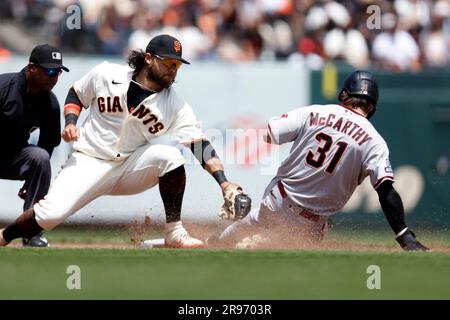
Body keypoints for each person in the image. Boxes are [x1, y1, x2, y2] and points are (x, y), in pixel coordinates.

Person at [0, 34, 245, 248]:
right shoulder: (107, 73)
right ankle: (4, 236)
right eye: (169, 62)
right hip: (88, 161)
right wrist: (72, 122)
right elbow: (77, 92)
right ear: (149, 58)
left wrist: (224, 183)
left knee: (169, 157)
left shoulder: (174, 104)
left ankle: (174, 232)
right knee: (50, 215)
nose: (173, 69)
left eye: (178, 65)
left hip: (129, 166)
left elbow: (199, 143)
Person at [208, 70, 430, 252]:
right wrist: (404, 236)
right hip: (312, 223)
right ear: (372, 106)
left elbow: (269, 134)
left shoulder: (314, 112)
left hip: (277, 200)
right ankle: (259, 244)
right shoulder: (374, 141)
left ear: (344, 94)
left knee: (255, 220)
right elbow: (386, 192)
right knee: (301, 242)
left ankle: (218, 243)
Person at [0, 44, 69, 247]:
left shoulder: (50, 103)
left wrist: (32, 182)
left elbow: (47, 145)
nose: (54, 77)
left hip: (12, 156)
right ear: (32, 69)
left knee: (39, 158)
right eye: (49, 71)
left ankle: (31, 233)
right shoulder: (4, 88)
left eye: (58, 72)